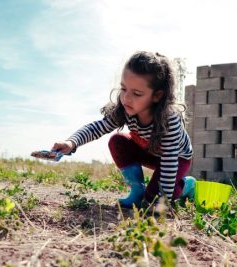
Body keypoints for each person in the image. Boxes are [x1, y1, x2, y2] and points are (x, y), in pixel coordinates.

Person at [51, 51, 195, 209]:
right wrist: (71, 142)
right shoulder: (126, 110)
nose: (126, 98)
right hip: (151, 152)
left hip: (176, 159)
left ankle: (187, 186)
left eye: (137, 93)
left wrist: (160, 205)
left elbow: (169, 164)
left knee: (153, 201)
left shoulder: (169, 121)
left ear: (157, 96)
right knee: (118, 140)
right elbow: (97, 128)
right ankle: (137, 190)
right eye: (123, 89)